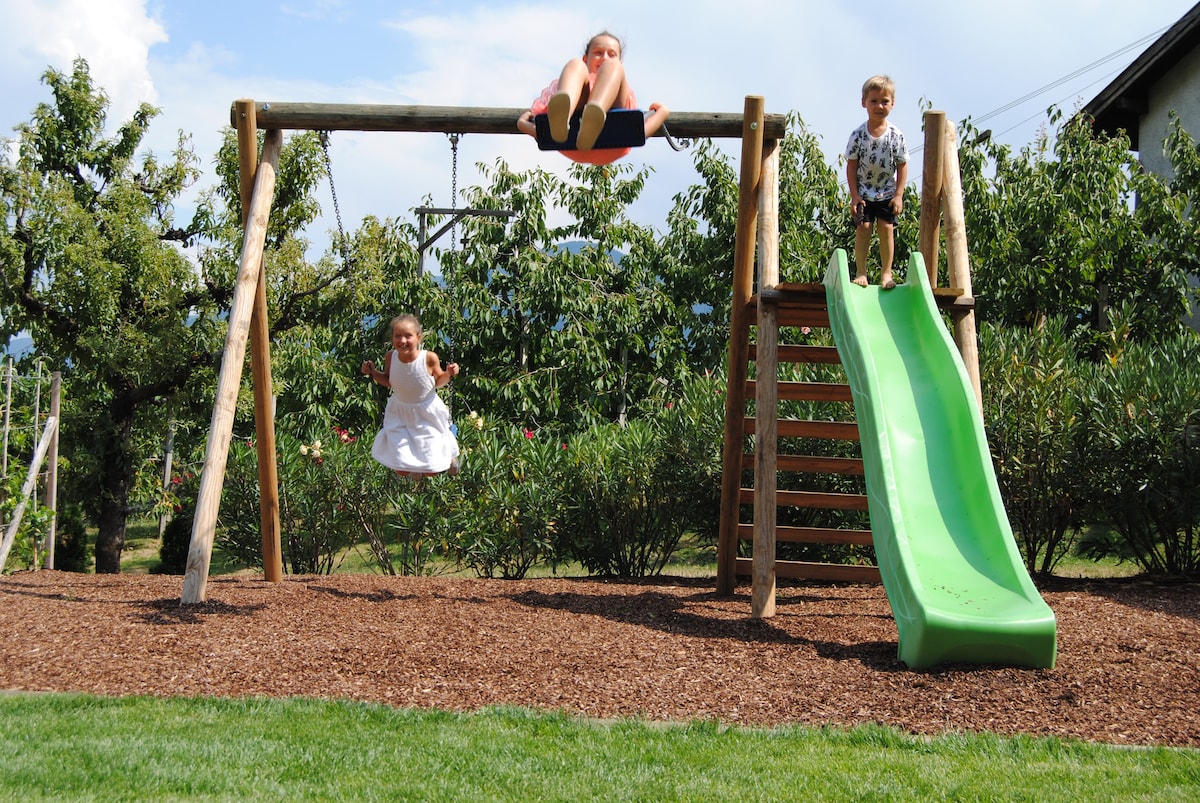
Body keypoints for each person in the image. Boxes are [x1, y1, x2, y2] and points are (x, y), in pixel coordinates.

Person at [516, 30, 669, 165]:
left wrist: (524, 125)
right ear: (586, 59)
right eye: (598, 52)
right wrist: (662, 113)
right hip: (576, 138)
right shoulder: (579, 75)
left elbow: (635, 132)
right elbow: (637, 133)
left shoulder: (617, 73)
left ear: (622, 62)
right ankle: (565, 117)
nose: (604, 57)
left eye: (612, 54)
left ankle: (595, 113)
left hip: (596, 138)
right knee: (574, 65)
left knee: (611, 67)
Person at [361, 314, 460, 477]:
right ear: (392, 338)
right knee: (400, 467)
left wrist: (449, 374)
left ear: (418, 337)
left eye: (408, 336)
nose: (402, 340)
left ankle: (449, 458)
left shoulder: (428, 358)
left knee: (432, 471)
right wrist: (372, 372)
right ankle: (414, 471)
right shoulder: (391, 357)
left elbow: (438, 382)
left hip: (426, 412)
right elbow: (389, 381)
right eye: (397, 336)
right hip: (400, 412)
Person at [845, 74, 909, 290]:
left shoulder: (895, 135)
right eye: (874, 101)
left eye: (885, 101)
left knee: (886, 228)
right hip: (863, 191)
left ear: (892, 104)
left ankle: (886, 273)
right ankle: (861, 272)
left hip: (887, 192)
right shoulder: (858, 135)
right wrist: (854, 195)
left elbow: (902, 166)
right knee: (863, 228)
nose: (879, 106)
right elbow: (852, 166)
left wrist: (899, 194)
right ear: (864, 102)